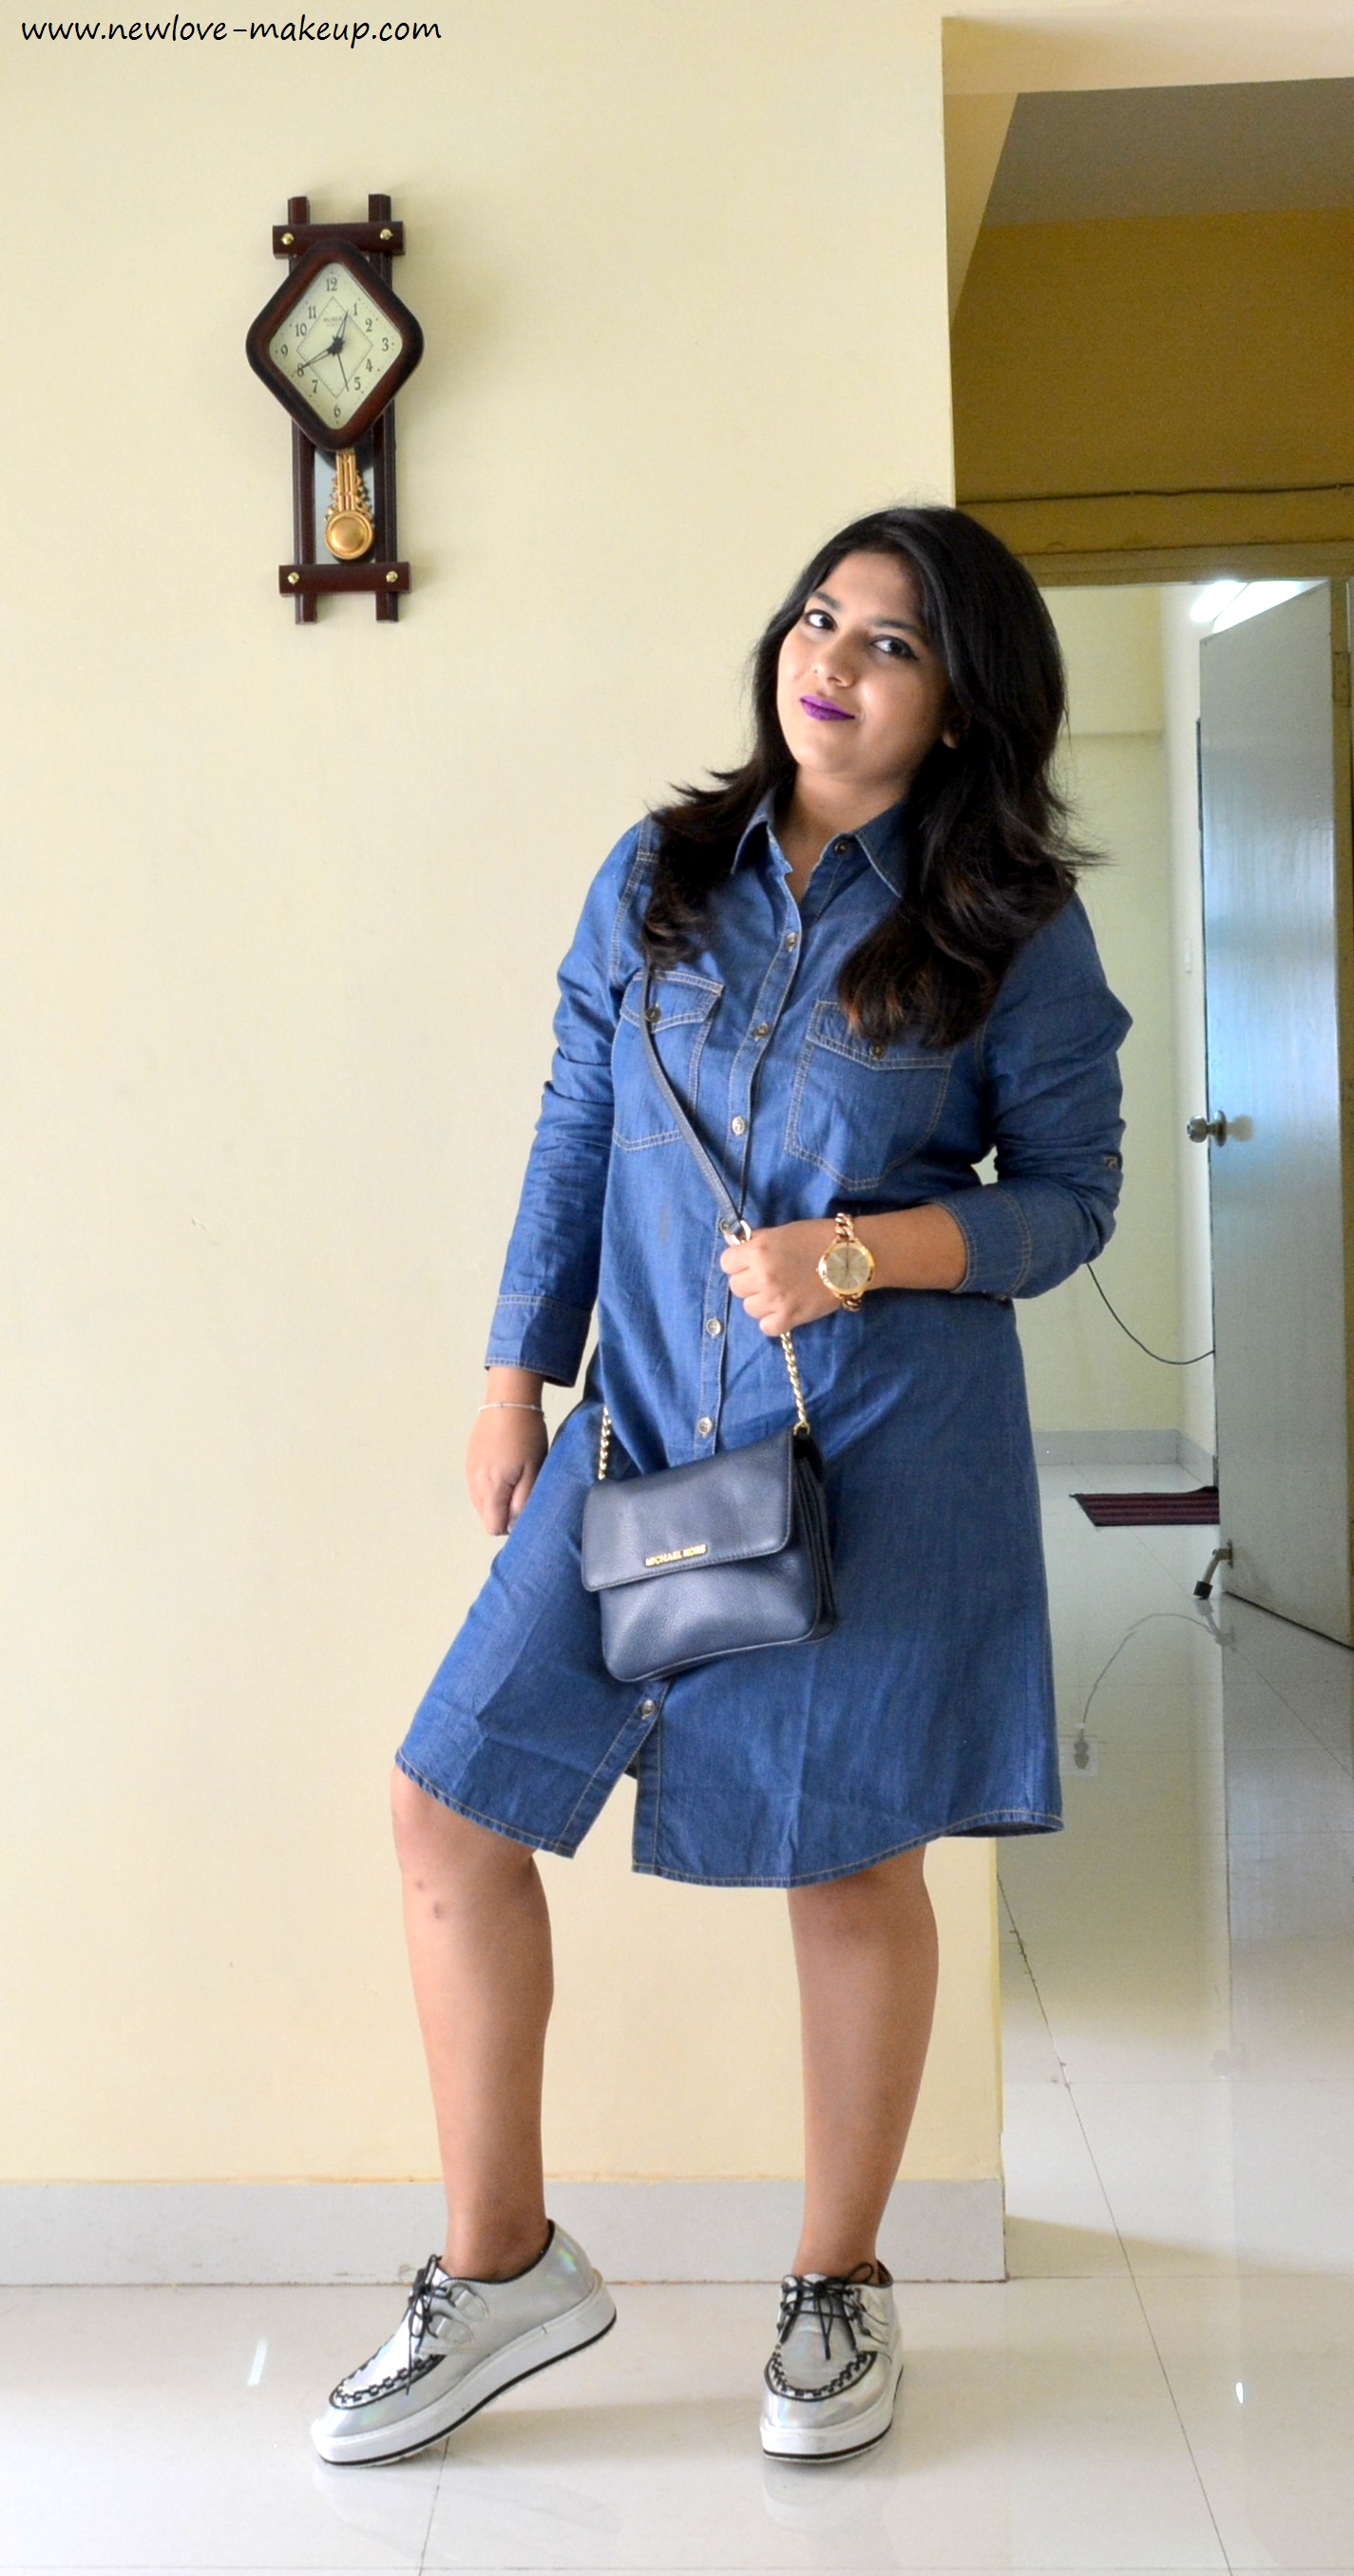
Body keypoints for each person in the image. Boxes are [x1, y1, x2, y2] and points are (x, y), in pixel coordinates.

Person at [311, 505, 1131, 2470]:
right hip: (646, 1429)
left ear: (960, 704)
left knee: (851, 1865)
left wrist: (861, 1252)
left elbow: (1071, 1198)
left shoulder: (1007, 922)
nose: (829, 659)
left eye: (890, 641)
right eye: (817, 617)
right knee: (447, 1802)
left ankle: (835, 2285)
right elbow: (578, 1121)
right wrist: (512, 1375)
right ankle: (501, 2270)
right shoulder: (660, 873)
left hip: (880, 1447)